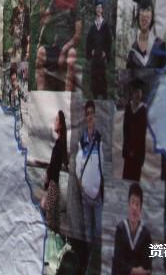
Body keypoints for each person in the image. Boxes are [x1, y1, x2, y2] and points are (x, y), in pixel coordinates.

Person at [36, 0, 81, 91]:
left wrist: (63, 52)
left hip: (68, 48)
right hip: (56, 47)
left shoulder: (76, 1)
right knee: (40, 53)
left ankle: (66, 98)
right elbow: (45, 20)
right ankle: (40, 96)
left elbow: (77, 36)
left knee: (72, 56)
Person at [75, 100, 104, 243]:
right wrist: (81, 186)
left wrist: (100, 187)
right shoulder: (82, 141)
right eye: (87, 114)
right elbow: (78, 167)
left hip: (97, 194)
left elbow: (102, 165)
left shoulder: (99, 140)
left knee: (98, 229)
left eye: (92, 113)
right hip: (85, 195)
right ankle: (88, 253)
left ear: (95, 116)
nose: (90, 116)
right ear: (85, 117)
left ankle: (96, 254)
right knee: (88, 230)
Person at [112, 182, 152, 275]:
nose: (134, 207)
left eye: (137, 204)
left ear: (140, 208)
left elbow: (148, 266)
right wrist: (133, 271)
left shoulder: (146, 234)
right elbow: (118, 262)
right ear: (128, 205)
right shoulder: (121, 230)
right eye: (132, 202)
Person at [126, 0, 166, 71]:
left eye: (148, 10)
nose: (144, 15)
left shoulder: (160, 46)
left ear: (152, 15)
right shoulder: (133, 50)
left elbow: (165, 76)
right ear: (138, 16)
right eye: (142, 10)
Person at [41, 110, 68, 232]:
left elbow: (54, 167)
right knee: (51, 215)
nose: (54, 122)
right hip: (52, 184)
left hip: (53, 184)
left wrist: (48, 180)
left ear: (61, 125)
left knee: (49, 215)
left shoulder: (60, 144)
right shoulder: (59, 143)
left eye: (57, 120)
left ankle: (51, 238)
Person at [85, 0, 112, 98]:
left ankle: (104, 97)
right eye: (97, 8)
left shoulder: (105, 25)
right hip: (95, 56)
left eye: (100, 8)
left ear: (102, 10)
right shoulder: (93, 26)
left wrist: (106, 52)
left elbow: (109, 41)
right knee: (94, 76)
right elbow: (88, 40)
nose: (99, 10)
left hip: (102, 56)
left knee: (102, 77)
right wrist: (90, 51)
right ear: (95, 10)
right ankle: (95, 96)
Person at [122, 80, 148, 181]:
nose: (138, 95)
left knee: (135, 179)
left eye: (139, 92)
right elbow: (125, 130)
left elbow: (142, 135)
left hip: (138, 152)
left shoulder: (143, 110)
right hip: (128, 151)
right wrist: (128, 149)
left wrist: (137, 152)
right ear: (132, 94)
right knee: (126, 178)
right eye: (136, 92)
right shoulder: (128, 108)